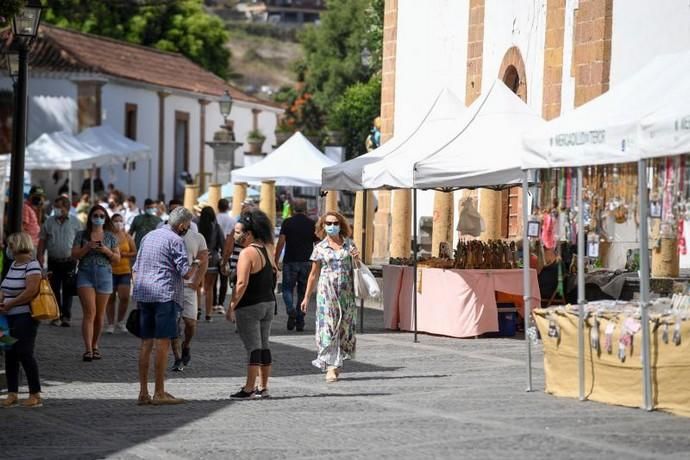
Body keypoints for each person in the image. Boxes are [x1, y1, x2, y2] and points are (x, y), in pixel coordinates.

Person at [133, 207, 201, 405]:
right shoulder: (176, 240)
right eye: (187, 226)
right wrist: (196, 263)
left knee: (146, 343)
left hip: (145, 294)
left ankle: (143, 392)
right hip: (165, 295)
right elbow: (186, 273)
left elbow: (136, 267)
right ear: (181, 225)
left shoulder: (148, 236)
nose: (187, 229)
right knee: (162, 344)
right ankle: (159, 392)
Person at [301, 211, 360, 383]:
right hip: (326, 294)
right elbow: (313, 274)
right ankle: (331, 366)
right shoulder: (319, 248)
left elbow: (356, 268)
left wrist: (357, 259)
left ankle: (337, 361)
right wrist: (306, 297)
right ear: (323, 226)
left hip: (346, 295)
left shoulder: (349, 245)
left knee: (343, 328)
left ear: (341, 225)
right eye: (328, 223)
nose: (332, 226)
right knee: (328, 328)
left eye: (335, 223)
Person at [225, 209, 277, 399]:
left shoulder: (247, 253)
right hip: (268, 303)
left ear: (249, 233)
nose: (235, 235)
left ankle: (248, 388)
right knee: (264, 345)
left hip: (249, 305)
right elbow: (275, 273)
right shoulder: (266, 249)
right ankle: (263, 387)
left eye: (238, 232)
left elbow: (241, 283)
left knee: (253, 347)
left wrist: (231, 305)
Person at [71, 205, 121, 361]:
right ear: (90, 217)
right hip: (85, 274)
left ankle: (95, 345)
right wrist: (87, 247)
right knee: (89, 312)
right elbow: (74, 255)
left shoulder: (111, 237)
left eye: (101, 215)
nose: (98, 218)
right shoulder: (81, 235)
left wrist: (105, 250)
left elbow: (117, 258)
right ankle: (88, 349)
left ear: (105, 218)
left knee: (100, 315)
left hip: (104, 275)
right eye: (95, 215)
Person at [0, 232, 44, 408]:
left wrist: (11, 303)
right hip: (6, 316)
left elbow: (31, 291)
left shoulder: (32, 265)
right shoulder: (13, 264)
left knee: (24, 352)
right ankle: (12, 393)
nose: (8, 249)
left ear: (17, 246)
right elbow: (5, 286)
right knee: (10, 353)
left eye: (10, 246)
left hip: (24, 315)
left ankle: (35, 393)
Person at [37, 196, 83, 327]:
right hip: (53, 261)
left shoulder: (76, 222)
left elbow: (80, 241)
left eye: (59, 207)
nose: (56, 209)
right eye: (55, 207)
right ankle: (56, 316)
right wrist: (40, 255)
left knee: (68, 289)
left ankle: (66, 317)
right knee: (54, 288)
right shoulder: (49, 222)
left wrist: (80, 256)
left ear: (66, 208)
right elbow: (42, 240)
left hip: (70, 261)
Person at [275, 198, 317, 332]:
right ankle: (300, 320)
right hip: (307, 261)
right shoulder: (312, 224)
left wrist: (276, 260)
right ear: (306, 209)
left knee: (287, 289)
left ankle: (291, 310)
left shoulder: (287, 222)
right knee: (302, 292)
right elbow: (317, 243)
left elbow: (281, 242)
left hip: (290, 261)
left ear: (293, 209)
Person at [171, 225, 208, 372]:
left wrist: (197, 281)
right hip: (170, 286)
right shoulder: (165, 232)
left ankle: (186, 345)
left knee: (190, 323)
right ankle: (177, 358)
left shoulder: (197, 237)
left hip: (189, 286)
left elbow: (204, 259)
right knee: (173, 324)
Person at [105, 213, 137, 334]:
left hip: (124, 271)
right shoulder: (107, 236)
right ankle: (111, 323)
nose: (118, 223)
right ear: (111, 223)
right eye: (116, 221)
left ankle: (120, 321)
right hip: (110, 271)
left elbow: (134, 251)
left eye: (120, 221)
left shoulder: (127, 236)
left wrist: (124, 255)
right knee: (111, 298)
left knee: (124, 297)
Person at [198, 206, 226, 321]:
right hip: (212, 260)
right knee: (209, 288)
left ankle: (197, 309)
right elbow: (222, 244)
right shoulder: (216, 227)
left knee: (197, 286)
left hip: (198, 258)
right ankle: (208, 314)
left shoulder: (196, 226)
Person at [215, 199, 236, 312]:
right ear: (228, 207)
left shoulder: (215, 218)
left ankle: (213, 302)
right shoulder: (232, 220)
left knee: (213, 278)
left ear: (218, 207)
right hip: (227, 250)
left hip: (215, 250)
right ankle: (221, 303)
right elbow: (231, 237)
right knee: (224, 278)